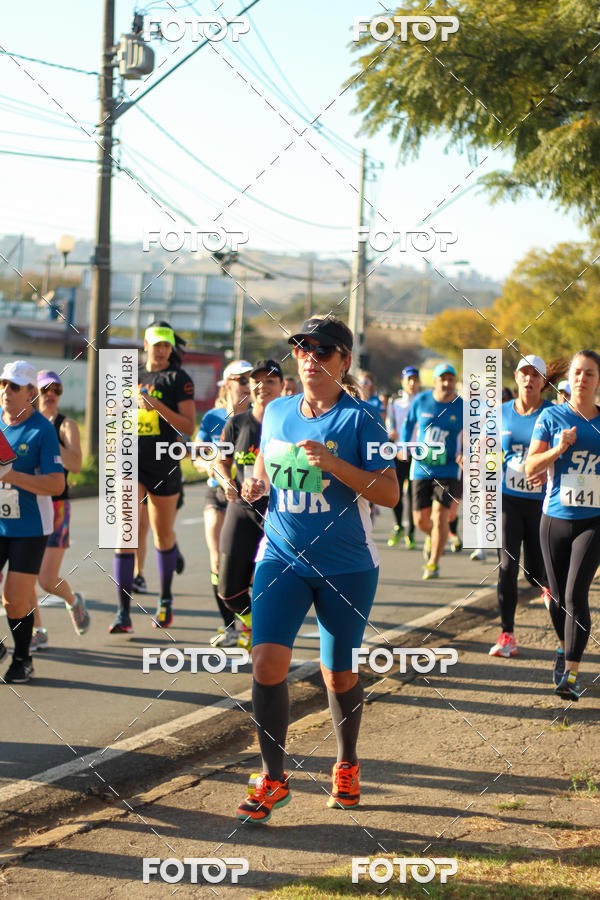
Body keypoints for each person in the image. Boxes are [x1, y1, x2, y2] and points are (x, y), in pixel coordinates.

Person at [235, 316, 398, 823]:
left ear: (344, 361)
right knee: (266, 663)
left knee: (338, 672)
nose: (310, 358)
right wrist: (256, 484)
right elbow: (267, 463)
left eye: (322, 351)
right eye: (302, 349)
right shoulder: (278, 410)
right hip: (281, 554)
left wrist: (334, 465)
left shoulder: (364, 420)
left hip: (345, 565)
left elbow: (390, 494)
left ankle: (346, 764)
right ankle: (273, 778)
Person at [110, 322, 195, 633]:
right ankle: (123, 612)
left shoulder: (178, 379)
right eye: (155, 343)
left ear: (171, 348)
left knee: (163, 534)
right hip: (130, 460)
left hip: (163, 463)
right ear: (144, 344)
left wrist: (156, 405)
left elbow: (188, 427)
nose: (160, 350)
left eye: (165, 345)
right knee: (126, 532)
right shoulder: (131, 376)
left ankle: (165, 598)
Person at [526, 349, 600, 701]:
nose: (582, 379)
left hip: (594, 521)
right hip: (554, 518)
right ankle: (562, 645)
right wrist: (557, 449)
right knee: (556, 598)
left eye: (589, 373)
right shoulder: (551, 417)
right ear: (568, 379)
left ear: (598, 381)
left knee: (575, 594)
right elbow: (530, 467)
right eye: (577, 373)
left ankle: (571, 672)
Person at [0, 361, 64, 683]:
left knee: (14, 599)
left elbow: (56, 485)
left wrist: (12, 475)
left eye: (14, 387)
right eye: (3, 385)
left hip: (30, 528)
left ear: (29, 394)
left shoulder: (42, 430)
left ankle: (23, 658)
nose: (5, 392)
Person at [215, 360, 283, 650]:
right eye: (256, 381)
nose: (262, 387)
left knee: (275, 588)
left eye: (270, 381)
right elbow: (220, 462)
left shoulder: (289, 423)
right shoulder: (237, 423)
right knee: (228, 590)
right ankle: (253, 624)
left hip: (278, 512)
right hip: (242, 509)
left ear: (282, 387)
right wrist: (227, 482)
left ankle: (270, 637)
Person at [489, 355, 552, 658]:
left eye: (535, 375)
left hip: (543, 505)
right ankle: (507, 635)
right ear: (516, 377)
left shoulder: (554, 414)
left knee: (535, 573)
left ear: (544, 381)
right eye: (524, 374)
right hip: (508, 501)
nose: (529, 380)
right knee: (506, 567)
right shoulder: (499, 413)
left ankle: (554, 602)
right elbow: (485, 450)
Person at [195, 361, 253, 647]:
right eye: (240, 379)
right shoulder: (213, 417)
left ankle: (253, 623)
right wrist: (211, 466)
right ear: (227, 383)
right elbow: (197, 455)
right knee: (218, 559)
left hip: (252, 499)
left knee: (251, 565)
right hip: (218, 494)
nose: (247, 384)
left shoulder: (261, 417)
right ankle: (231, 626)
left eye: (250, 379)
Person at [30, 370, 89, 650]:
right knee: (24, 574)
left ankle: (73, 601)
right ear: (34, 394)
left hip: (57, 506)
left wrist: (48, 437)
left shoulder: (66, 426)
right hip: (27, 503)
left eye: (57, 389)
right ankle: (37, 630)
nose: (51, 394)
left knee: (46, 579)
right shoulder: (23, 423)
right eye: (45, 389)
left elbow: (76, 464)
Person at [401, 362, 463, 579]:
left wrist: (468, 453)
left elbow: (476, 433)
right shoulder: (422, 401)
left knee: (440, 516)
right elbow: (408, 425)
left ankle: (433, 563)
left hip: (447, 470)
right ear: (435, 382)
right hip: (421, 468)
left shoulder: (462, 406)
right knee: (420, 521)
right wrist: (403, 446)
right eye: (443, 379)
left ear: (455, 382)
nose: (447, 383)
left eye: (451, 379)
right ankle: (436, 537)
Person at [386, 365, 420, 549]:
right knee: (396, 492)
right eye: (409, 380)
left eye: (415, 380)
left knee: (414, 495)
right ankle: (399, 525)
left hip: (417, 454)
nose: (412, 383)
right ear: (403, 382)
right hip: (399, 453)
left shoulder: (422, 402)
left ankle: (411, 533)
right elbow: (390, 425)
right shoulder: (395, 403)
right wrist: (390, 432)